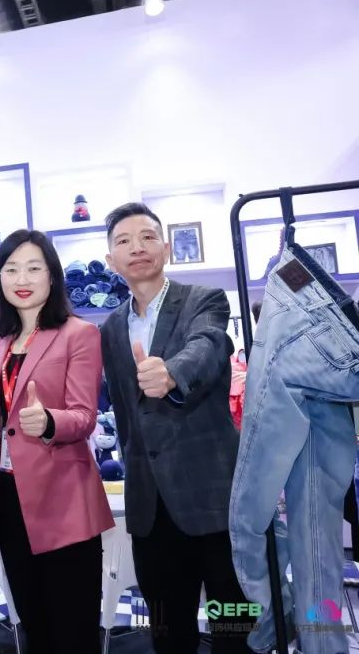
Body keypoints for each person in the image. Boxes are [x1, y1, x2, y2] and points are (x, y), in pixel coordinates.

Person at [101, 202, 253, 652]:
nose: (137, 248)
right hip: (150, 510)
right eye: (124, 241)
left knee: (234, 627)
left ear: (166, 248)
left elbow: (208, 345)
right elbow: (125, 414)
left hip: (213, 499)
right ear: (111, 260)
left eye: (148, 237)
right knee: (168, 630)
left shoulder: (204, 300)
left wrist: (171, 372)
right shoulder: (110, 327)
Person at [0, 229, 114, 654]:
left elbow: (84, 416)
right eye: (11, 269)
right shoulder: (1, 345)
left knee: (72, 631)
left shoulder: (79, 334)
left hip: (64, 501)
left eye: (34, 268)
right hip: (10, 499)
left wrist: (49, 421)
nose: (22, 278)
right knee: (33, 624)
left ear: (52, 276)